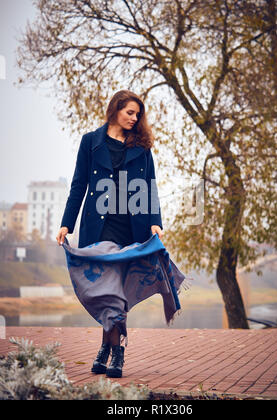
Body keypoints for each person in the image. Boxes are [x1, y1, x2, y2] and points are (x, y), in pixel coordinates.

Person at [56, 90, 181, 379]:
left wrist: (154, 222)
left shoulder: (142, 148)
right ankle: (118, 351)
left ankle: (105, 350)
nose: (134, 118)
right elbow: (78, 185)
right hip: (98, 225)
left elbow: (150, 187)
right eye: (130, 112)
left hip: (131, 227)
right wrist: (67, 223)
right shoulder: (91, 142)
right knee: (108, 291)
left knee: (116, 293)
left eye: (138, 114)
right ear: (115, 110)